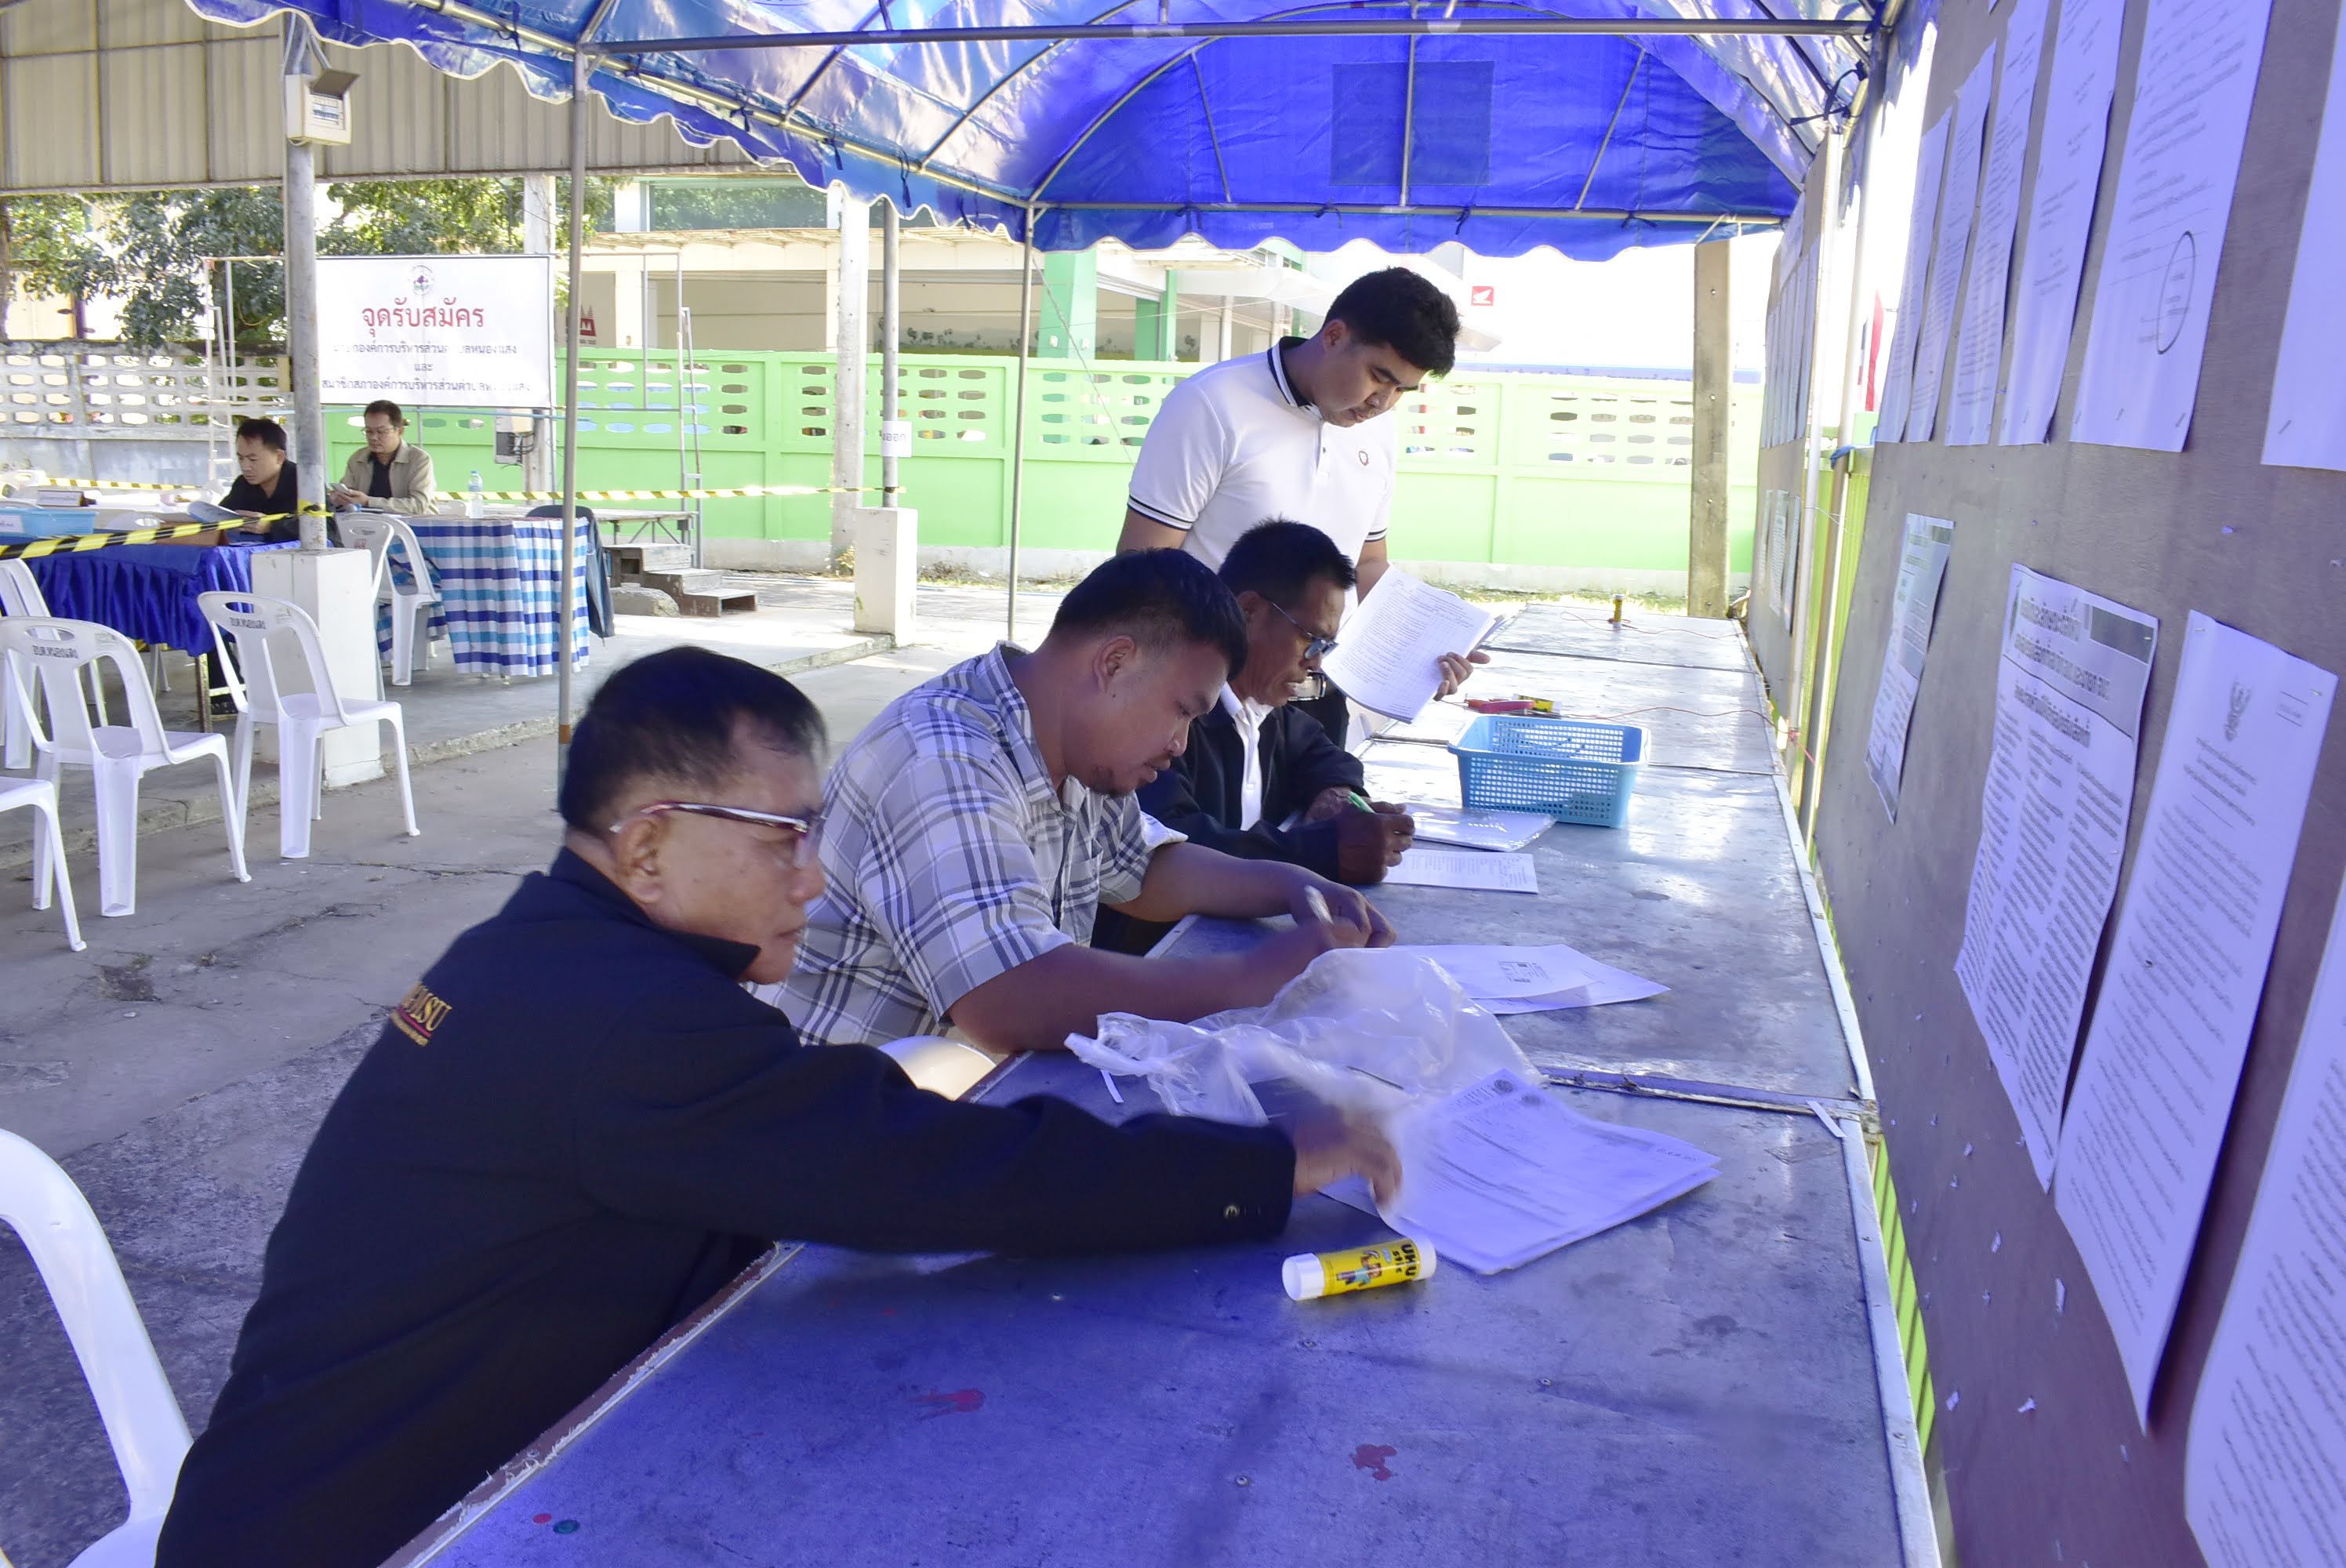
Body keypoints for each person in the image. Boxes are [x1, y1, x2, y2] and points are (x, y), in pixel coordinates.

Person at [153, 646, 1398, 1568]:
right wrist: (1260, 1163)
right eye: (784, 839)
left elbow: (804, 1131)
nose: (814, 879)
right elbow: (939, 1175)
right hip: (387, 1534)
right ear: (648, 846)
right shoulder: (628, 1025)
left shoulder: (541, 953)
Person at [773, 550, 1396, 1054]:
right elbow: (1010, 997)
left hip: (953, 1088)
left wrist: (1290, 883)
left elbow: (1140, 869)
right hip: (847, 1122)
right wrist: (1255, 977)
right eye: (1182, 711)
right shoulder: (941, 757)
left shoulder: (1076, 751)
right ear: (1115, 663)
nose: (1180, 744)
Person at [1117, 267, 1486, 742]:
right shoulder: (1211, 403)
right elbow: (1143, 564)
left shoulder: (1378, 430)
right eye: (1379, 377)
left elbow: (1367, 563)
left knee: (1338, 795)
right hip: (1212, 701)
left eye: (1401, 390)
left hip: (1321, 702)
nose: (1383, 403)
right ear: (1334, 336)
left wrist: (1423, 652)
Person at [328, 398, 437, 514]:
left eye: (381, 432)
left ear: (400, 431)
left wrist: (369, 501)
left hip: (416, 523)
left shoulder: (419, 459)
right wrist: (339, 499)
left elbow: (418, 505)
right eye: (369, 431)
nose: (373, 437)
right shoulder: (358, 459)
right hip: (369, 522)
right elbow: (348, 495)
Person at [217, 416, 301, 542]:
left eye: (253, 459)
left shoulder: (304, 483)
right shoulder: (243, 484)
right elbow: (220, 516)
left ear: (279, 457)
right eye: (241, 458)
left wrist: (271, 526)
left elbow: (324, 526)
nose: (245, 467)